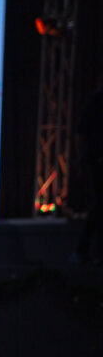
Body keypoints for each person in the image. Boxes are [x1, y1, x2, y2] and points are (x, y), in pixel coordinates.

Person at [72, 73, 103, 265]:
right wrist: (81, 159)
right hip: (96, 160)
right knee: (99, 205)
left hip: (93, 159)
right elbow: (80, 132)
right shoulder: (96, 101)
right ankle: (82, 249)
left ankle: (94, 251)